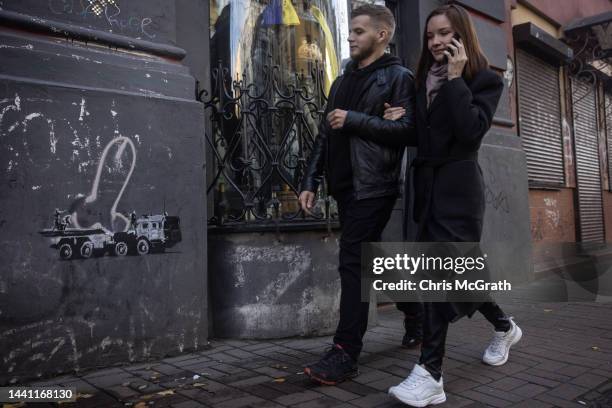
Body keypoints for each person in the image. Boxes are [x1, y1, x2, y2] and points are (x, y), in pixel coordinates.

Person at [380, 5, 522, 406]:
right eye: (430, 36)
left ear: (461, 34)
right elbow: (427, 137)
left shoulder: (484, 80)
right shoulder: (424, 79)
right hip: (426, 188)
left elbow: (471, 131)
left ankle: (430, 372)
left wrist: (458, 80)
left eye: (444, 33)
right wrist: (403, 121)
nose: (437, 42)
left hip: (459, 190)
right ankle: (504, 325)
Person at [299, 4, 416, 385]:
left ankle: (345, 351)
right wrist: (310, 181)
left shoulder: (398, 78)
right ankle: (415, 314)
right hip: (346, 186)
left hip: (375, 186)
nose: (350, 37)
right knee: (371, 258)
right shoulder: (341, 81)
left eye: (359, 31)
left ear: (382, 35)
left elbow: (408, 132)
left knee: (353, 262)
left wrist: (356, 120)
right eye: (350, 31)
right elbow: (324, 134)